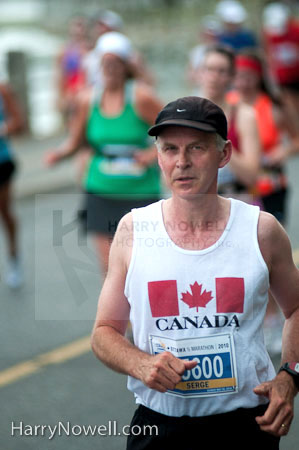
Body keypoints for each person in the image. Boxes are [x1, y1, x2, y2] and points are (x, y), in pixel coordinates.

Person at [91, 96, 299, 449]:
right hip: (158, 425)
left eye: (197, 148)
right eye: (170, 149)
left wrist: (290, 375)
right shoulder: (133, 230)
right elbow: (103, 332)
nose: (182, 162)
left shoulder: (261, 230)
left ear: (224, 154)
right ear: (158, 157)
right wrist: (140, 363)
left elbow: (296, 309)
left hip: (245, 425)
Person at [45, 32, 163, 273]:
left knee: (140, 266)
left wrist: (152, 155)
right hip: (101, 189)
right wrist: (58, 154)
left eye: (115, 62)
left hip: (139, 192)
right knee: (110, 268)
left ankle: (140, 312)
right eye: (104, 63)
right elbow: (77, 140)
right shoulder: (87, 99)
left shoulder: (141, 96)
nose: (109, 68)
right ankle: (114, 312)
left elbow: (170, 133)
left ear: (125, 65)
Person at [228, 51, 299, 355]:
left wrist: (279, 155)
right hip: (241, 189)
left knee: (267, 259)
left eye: (248, 75)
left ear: (258, 76)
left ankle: (273, 321)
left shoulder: (274, 105)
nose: (242, 81)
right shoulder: (229, 105)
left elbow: (296, 139)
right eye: (238, 75)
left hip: (272, 188)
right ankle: (249, 319)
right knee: (239, 258)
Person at [195, 45, 261, 198]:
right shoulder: (184, 113)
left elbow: (251, 176)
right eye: (209, 69)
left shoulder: (244, 115)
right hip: (198, 200)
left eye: (221, 71)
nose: (214, 77)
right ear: (199, 73)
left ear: (232, 77)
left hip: (235, 198)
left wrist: (217, 139)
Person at [0, 82, 24, 288]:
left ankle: (14, 258)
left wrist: (3, 129)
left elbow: (18, 121)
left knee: (4, 211)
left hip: (2, 161)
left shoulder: (3, 89)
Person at [262, 2, 299, 129]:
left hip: (296, 73)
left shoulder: (296, 30)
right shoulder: (269, 34)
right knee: (289, 103)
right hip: (284, 77)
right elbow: (269, 54)